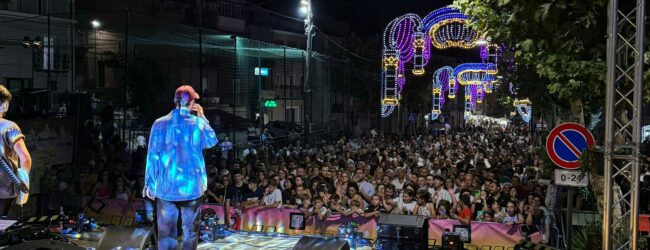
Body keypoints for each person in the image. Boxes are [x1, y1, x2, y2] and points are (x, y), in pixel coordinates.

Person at [144, 85, 218, 250]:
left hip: (166, 187)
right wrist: (203, 117)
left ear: (174, 101)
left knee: (166, 233)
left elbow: (153, 154)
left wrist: (149, 182)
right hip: (191, 188)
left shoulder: (159, 123)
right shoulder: (197, 123)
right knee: (190, 233)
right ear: (192, 102)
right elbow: (212, 141)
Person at [0, 85, 31, 216]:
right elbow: (25, 159)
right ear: (4, 104)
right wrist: (23, 183)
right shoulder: (9, 127)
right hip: (4, 188)